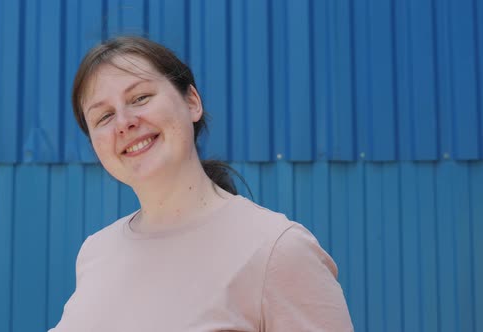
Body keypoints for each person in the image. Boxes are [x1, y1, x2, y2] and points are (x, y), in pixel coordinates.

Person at [50, 36, 353, 331]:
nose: (124, 122)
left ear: (192, 102)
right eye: (104, 116)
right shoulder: (97, 252)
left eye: (140, 98)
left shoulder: (278, 249)